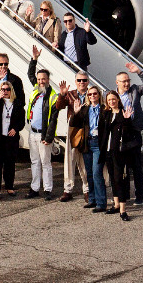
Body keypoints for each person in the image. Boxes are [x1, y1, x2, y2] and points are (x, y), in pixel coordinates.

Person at [22, 45, 61, 200]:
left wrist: (48, 137)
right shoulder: (37, 89)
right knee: (34, 162)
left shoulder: (52, 96)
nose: (40, 81)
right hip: (33, 131)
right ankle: (34, 187)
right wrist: (34, 59)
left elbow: (53, 119)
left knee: (46, 163)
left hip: (44, 134)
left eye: (43, 79)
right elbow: (30, 74)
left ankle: (48, 190)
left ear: (48, 80)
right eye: (39, 79)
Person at [69, 87, 110, 213]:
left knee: (97, 173)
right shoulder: (85, 109)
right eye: (90, 94)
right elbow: (74, 124)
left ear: (99, 95)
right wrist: (76, 112)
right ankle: (92, 199)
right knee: (89, 173)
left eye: (95, 94)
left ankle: (102, 202)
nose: (92, 96)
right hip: (87, 143)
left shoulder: (104, 109)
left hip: (99, 144)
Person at [55, 70, 93, 204]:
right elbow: (58, 106)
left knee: (84, 161)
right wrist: (62, 94)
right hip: (73, 130)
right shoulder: (70, 95)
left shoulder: (92, 94)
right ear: (75, 82)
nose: (82, 83)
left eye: (84, 80)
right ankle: (68, 189)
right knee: (69, 160)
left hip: (87, 131)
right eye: (79, 80)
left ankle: (87, 190)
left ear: (88, 81)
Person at [115, 68, 143, 205]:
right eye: (124, 81)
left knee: (136, 167)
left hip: (134, 132)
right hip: (120, 134)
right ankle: (125, 195)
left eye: (128, 81)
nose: (126, 84)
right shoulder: (112, 95)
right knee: (122, 167)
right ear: (117, 83)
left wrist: (139, 72)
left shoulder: (135, 90)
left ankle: (139, 195)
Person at [104, 90, 139, 221]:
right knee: (113, 178)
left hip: (120, 153)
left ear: (118, 99)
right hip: (108, 151)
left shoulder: (123, 114)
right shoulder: (106, 114)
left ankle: (123, 210)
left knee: (120, 180)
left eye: (114, 99)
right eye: (109, 100)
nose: (111, 102)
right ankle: (116, 204)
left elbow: (128, 133)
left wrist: (127, 120)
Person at [0, 79, 24, 199]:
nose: (6, 91)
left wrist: (15, 128)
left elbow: (22, 121)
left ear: (11, 90)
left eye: (8, 89)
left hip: (11, 139)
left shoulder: (17, 103)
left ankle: (9, 187)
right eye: (3, 89)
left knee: (10, 164)